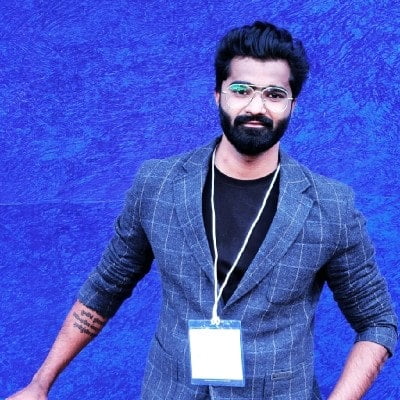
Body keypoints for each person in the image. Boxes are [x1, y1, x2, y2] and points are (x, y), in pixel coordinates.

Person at [7, 21, 397, 400]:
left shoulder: (331, 206)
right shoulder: (158, 185)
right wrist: (40, 384)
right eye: (241, 90)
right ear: (218, 95)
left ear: (292, 104)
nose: (256, 106)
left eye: (274, 94)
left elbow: (377, 323)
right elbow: (106, 287)